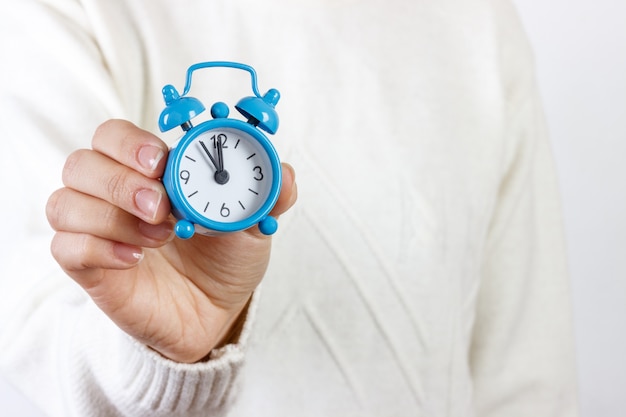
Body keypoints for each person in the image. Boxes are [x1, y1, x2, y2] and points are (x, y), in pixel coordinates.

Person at [0, 0, 579, 416]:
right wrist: (168, 355)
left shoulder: (477, 18)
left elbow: (527, 376)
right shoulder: (66, 10)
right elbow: (38, 336)